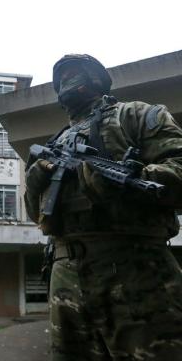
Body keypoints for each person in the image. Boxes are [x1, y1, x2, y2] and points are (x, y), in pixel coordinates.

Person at [25, 54, 182, 360]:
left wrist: (135, 181)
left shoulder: (136, 115)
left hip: (136, 270)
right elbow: (37, 215)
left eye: (74, 72)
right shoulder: (55, 142)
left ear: (96, 79)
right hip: (64, 277)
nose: (67, 80)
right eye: (61, 77)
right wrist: (34, 183)